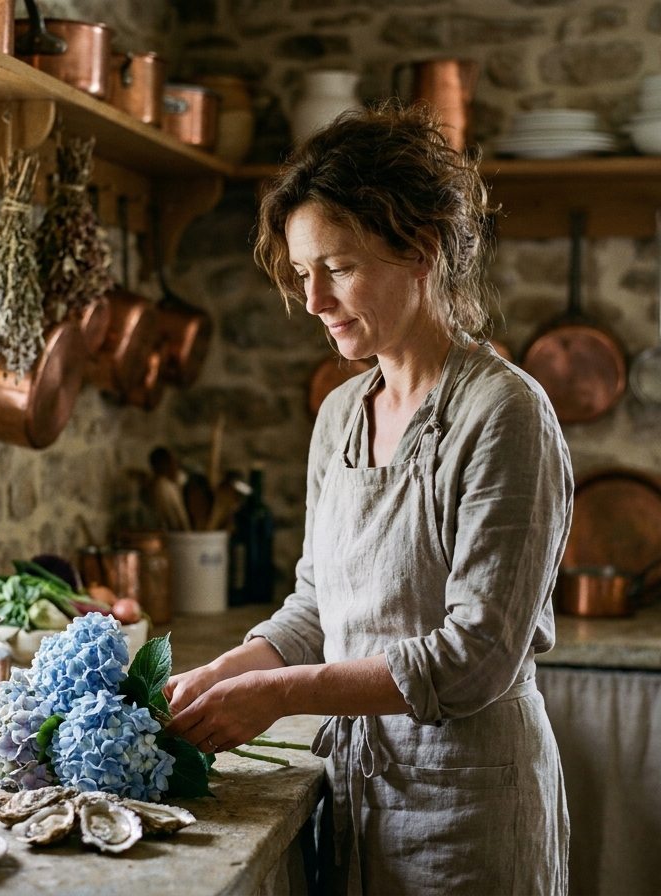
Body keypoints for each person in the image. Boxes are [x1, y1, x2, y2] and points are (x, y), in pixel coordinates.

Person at [164, 101, 573, 895]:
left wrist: (280, 694)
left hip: (468, 809)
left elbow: (475, 659)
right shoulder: (340, 415)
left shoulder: (505, 414)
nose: (314, 300)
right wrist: (222, 676)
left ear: (421, 251)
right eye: (300, 272)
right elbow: (317, 607)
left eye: (340, 268)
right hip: (354, 795)